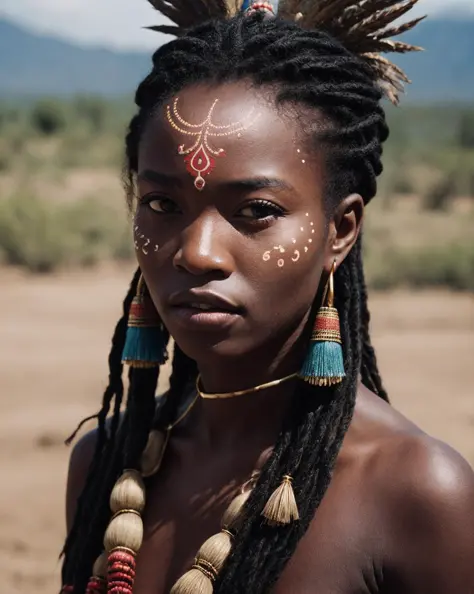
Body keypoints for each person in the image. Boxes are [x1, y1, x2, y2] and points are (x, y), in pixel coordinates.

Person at [60, 1, 474, 593]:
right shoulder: (105, 467)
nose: (196, 252)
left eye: (256, 211)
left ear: (341, 230)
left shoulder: (417, 495)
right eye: (161, 204)